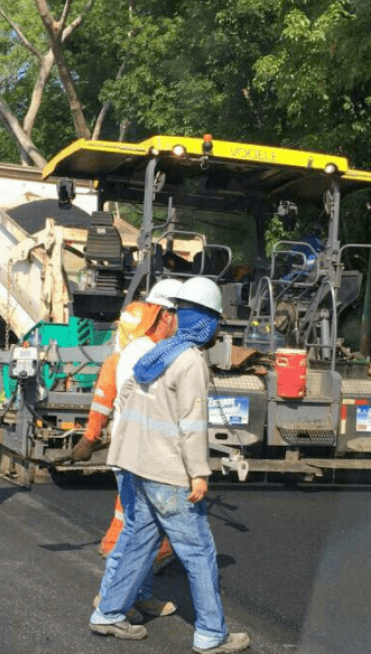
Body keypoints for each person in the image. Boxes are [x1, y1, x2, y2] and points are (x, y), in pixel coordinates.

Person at [89, 276, 250, 654]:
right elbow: (193, 425)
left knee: (139, 539)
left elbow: (126, 398)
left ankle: (108, 613)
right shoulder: (190, 361)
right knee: (199, 552)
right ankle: (212, 634)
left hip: (136, 467)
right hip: (168, 475)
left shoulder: (154, 354)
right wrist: (199, 472)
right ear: (207, 322)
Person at [72, 280, 182, 622]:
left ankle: (139, 594)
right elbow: (102, 405)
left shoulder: (146, 356)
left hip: (148, 455)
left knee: (147, 531)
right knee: (133, 529)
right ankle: (110, 596)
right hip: (135, 457)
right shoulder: (125, 360)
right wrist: (89, 439)